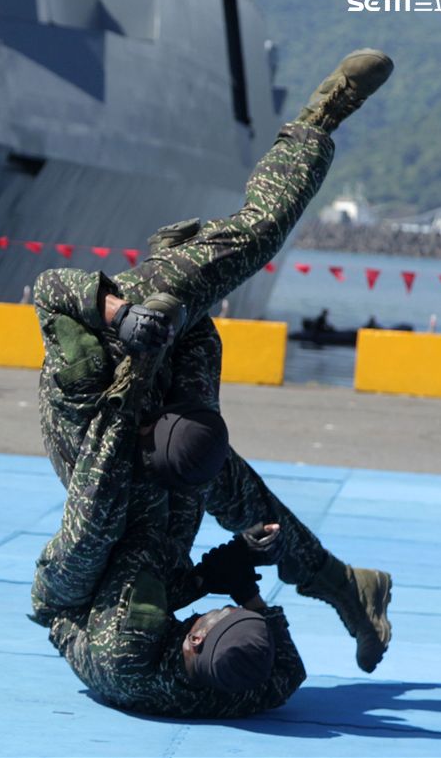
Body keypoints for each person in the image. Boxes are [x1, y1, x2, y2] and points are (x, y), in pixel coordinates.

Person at [31, 49, 394, 716]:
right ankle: (349, 588)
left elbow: (48, 288)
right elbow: (275, 668)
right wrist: (235, 583)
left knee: (234, 253)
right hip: (163, 479)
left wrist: (125, 322)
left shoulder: (95, 389)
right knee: (262, 520)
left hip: (113, 477)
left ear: (195, 641)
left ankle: (323, 115)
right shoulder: (232, 670)